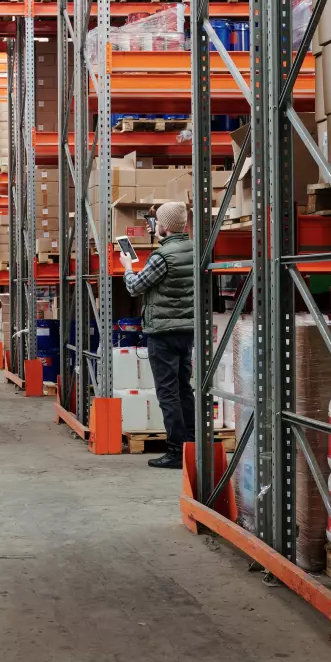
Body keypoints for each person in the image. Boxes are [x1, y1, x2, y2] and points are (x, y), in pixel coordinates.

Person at [118, 200, 195, 469]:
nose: (156, 225)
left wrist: (128, 267)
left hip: (163, 332)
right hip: (187, 331)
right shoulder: (195, 249)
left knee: (168, 393)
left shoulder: (163, 257)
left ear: (165, 225)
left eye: (158, 221)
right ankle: (193, 445)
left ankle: (175, 452)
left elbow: (136, 287)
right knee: (185, 389)